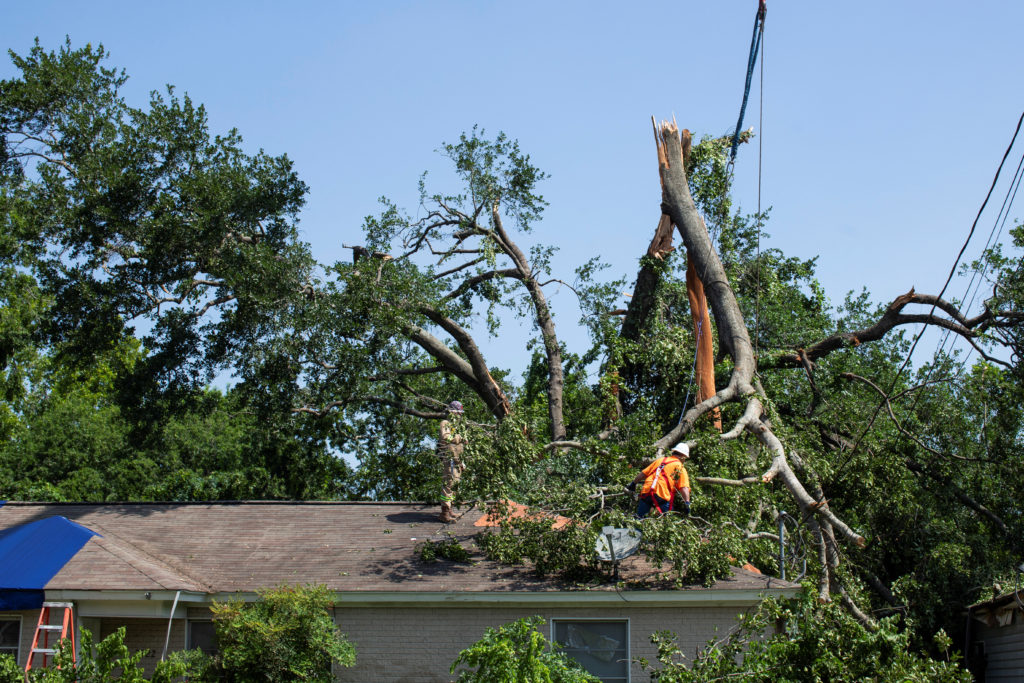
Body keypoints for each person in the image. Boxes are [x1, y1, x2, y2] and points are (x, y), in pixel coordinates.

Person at [627, 443, 691, 518]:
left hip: (647, 490)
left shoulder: (660, 460)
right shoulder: (679, 467)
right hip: (661, 493)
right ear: (683, 457)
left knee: (640, 517)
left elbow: (643, 473)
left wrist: (633, 483)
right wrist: (687, 503)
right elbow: (684, 488)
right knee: (667, 520)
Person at [437, 400, 467, 523]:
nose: (459, 416)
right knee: (449, 484)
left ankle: (450, 509)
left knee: (455, 485)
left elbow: (459, 448)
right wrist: (458, 438)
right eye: (457, 413)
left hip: (456, 459)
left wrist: (462, 462)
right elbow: (445, 437)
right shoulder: (445, 423)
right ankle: (444, 512)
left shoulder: (458, 427)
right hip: (448, 458)